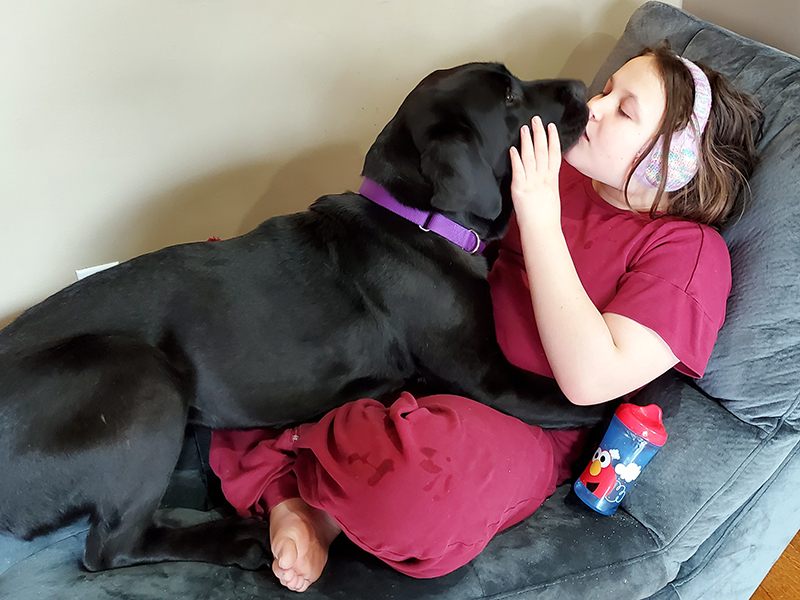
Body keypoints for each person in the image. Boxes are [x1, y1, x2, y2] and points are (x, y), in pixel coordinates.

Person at [210, 44, 762, 593]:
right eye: (607, 89)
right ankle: (306, 488)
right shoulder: (560, 170)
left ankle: (297, 483)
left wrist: (540, 215)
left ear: (677, 163)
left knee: (422, 488)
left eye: (624, 109)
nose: (594, 105)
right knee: (241, 293)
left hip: (521, 421)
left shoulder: (688, 252)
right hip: (419, 346)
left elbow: (591, 378)